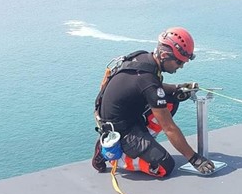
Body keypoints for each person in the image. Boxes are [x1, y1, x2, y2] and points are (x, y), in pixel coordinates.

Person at [92, 27, 215, 177]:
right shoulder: (148, 80)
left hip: (128, 116)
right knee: (165, 166)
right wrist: (195, 159)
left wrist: (178, 88)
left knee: (172, 99)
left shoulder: (144, 59)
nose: (181, 66)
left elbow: (150, 88)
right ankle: (111, 155)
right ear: (164, 55)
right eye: (179, 62)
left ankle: (144, 144)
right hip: (121, 130)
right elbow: (169, 128)